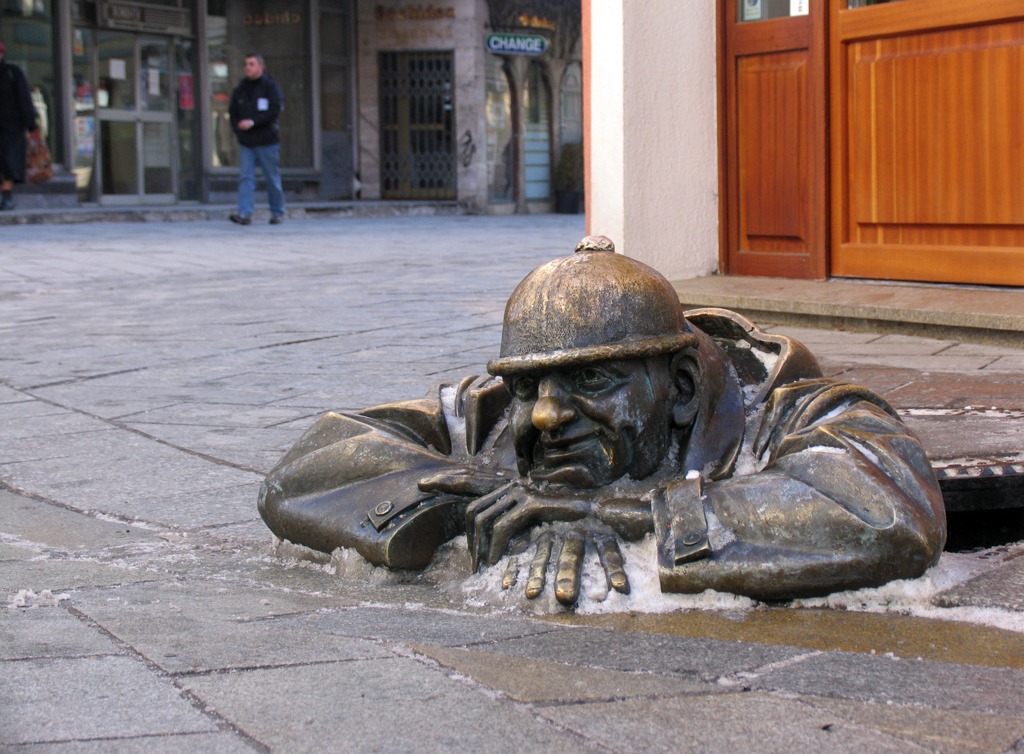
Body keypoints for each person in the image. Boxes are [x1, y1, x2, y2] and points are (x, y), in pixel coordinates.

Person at [259, 237, 946, 604]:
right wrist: (460, 496)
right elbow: (305, 467)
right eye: (530, 385)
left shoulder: (784, 411)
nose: (548, 414)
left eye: (591, 380)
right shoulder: (497, 414)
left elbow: (890, 510)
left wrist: (636, 511)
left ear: (678, 387)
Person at [228, 53, 285, 225]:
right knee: (246, 178)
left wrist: (253, 122)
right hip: (247, 142)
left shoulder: (270, 87)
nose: (248, 67)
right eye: (246, 64)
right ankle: (245, 214)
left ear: (261, 67)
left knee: (272, 179)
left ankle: (277, 213)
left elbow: (274, 110)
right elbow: (233, 113)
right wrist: (238, 130)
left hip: (267, 141)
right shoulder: (241, 89)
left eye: (251, 64)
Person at [0, 41, 39, 211]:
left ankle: (6, 197)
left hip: (11, 127)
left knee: (8, 162)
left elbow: (24, 99)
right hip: (10, 127)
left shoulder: (12, 73)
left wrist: (31, 125)